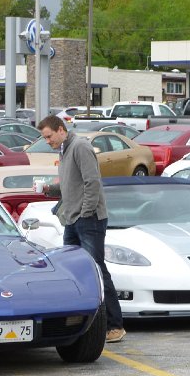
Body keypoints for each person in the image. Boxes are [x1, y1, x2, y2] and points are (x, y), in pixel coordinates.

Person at [37, 114, 126, 343]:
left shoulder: (80, 146)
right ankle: (82, 324)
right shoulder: (64, 149)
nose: (47, 141)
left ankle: (115, 325)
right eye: (45, 138)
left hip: (89, 220)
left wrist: (85, 213)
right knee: (74, 272)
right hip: (73, 220)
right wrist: (49, 189)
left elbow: (92, 182)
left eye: (49, 136)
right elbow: (71, 185)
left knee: (96, 271)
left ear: (60, 129)